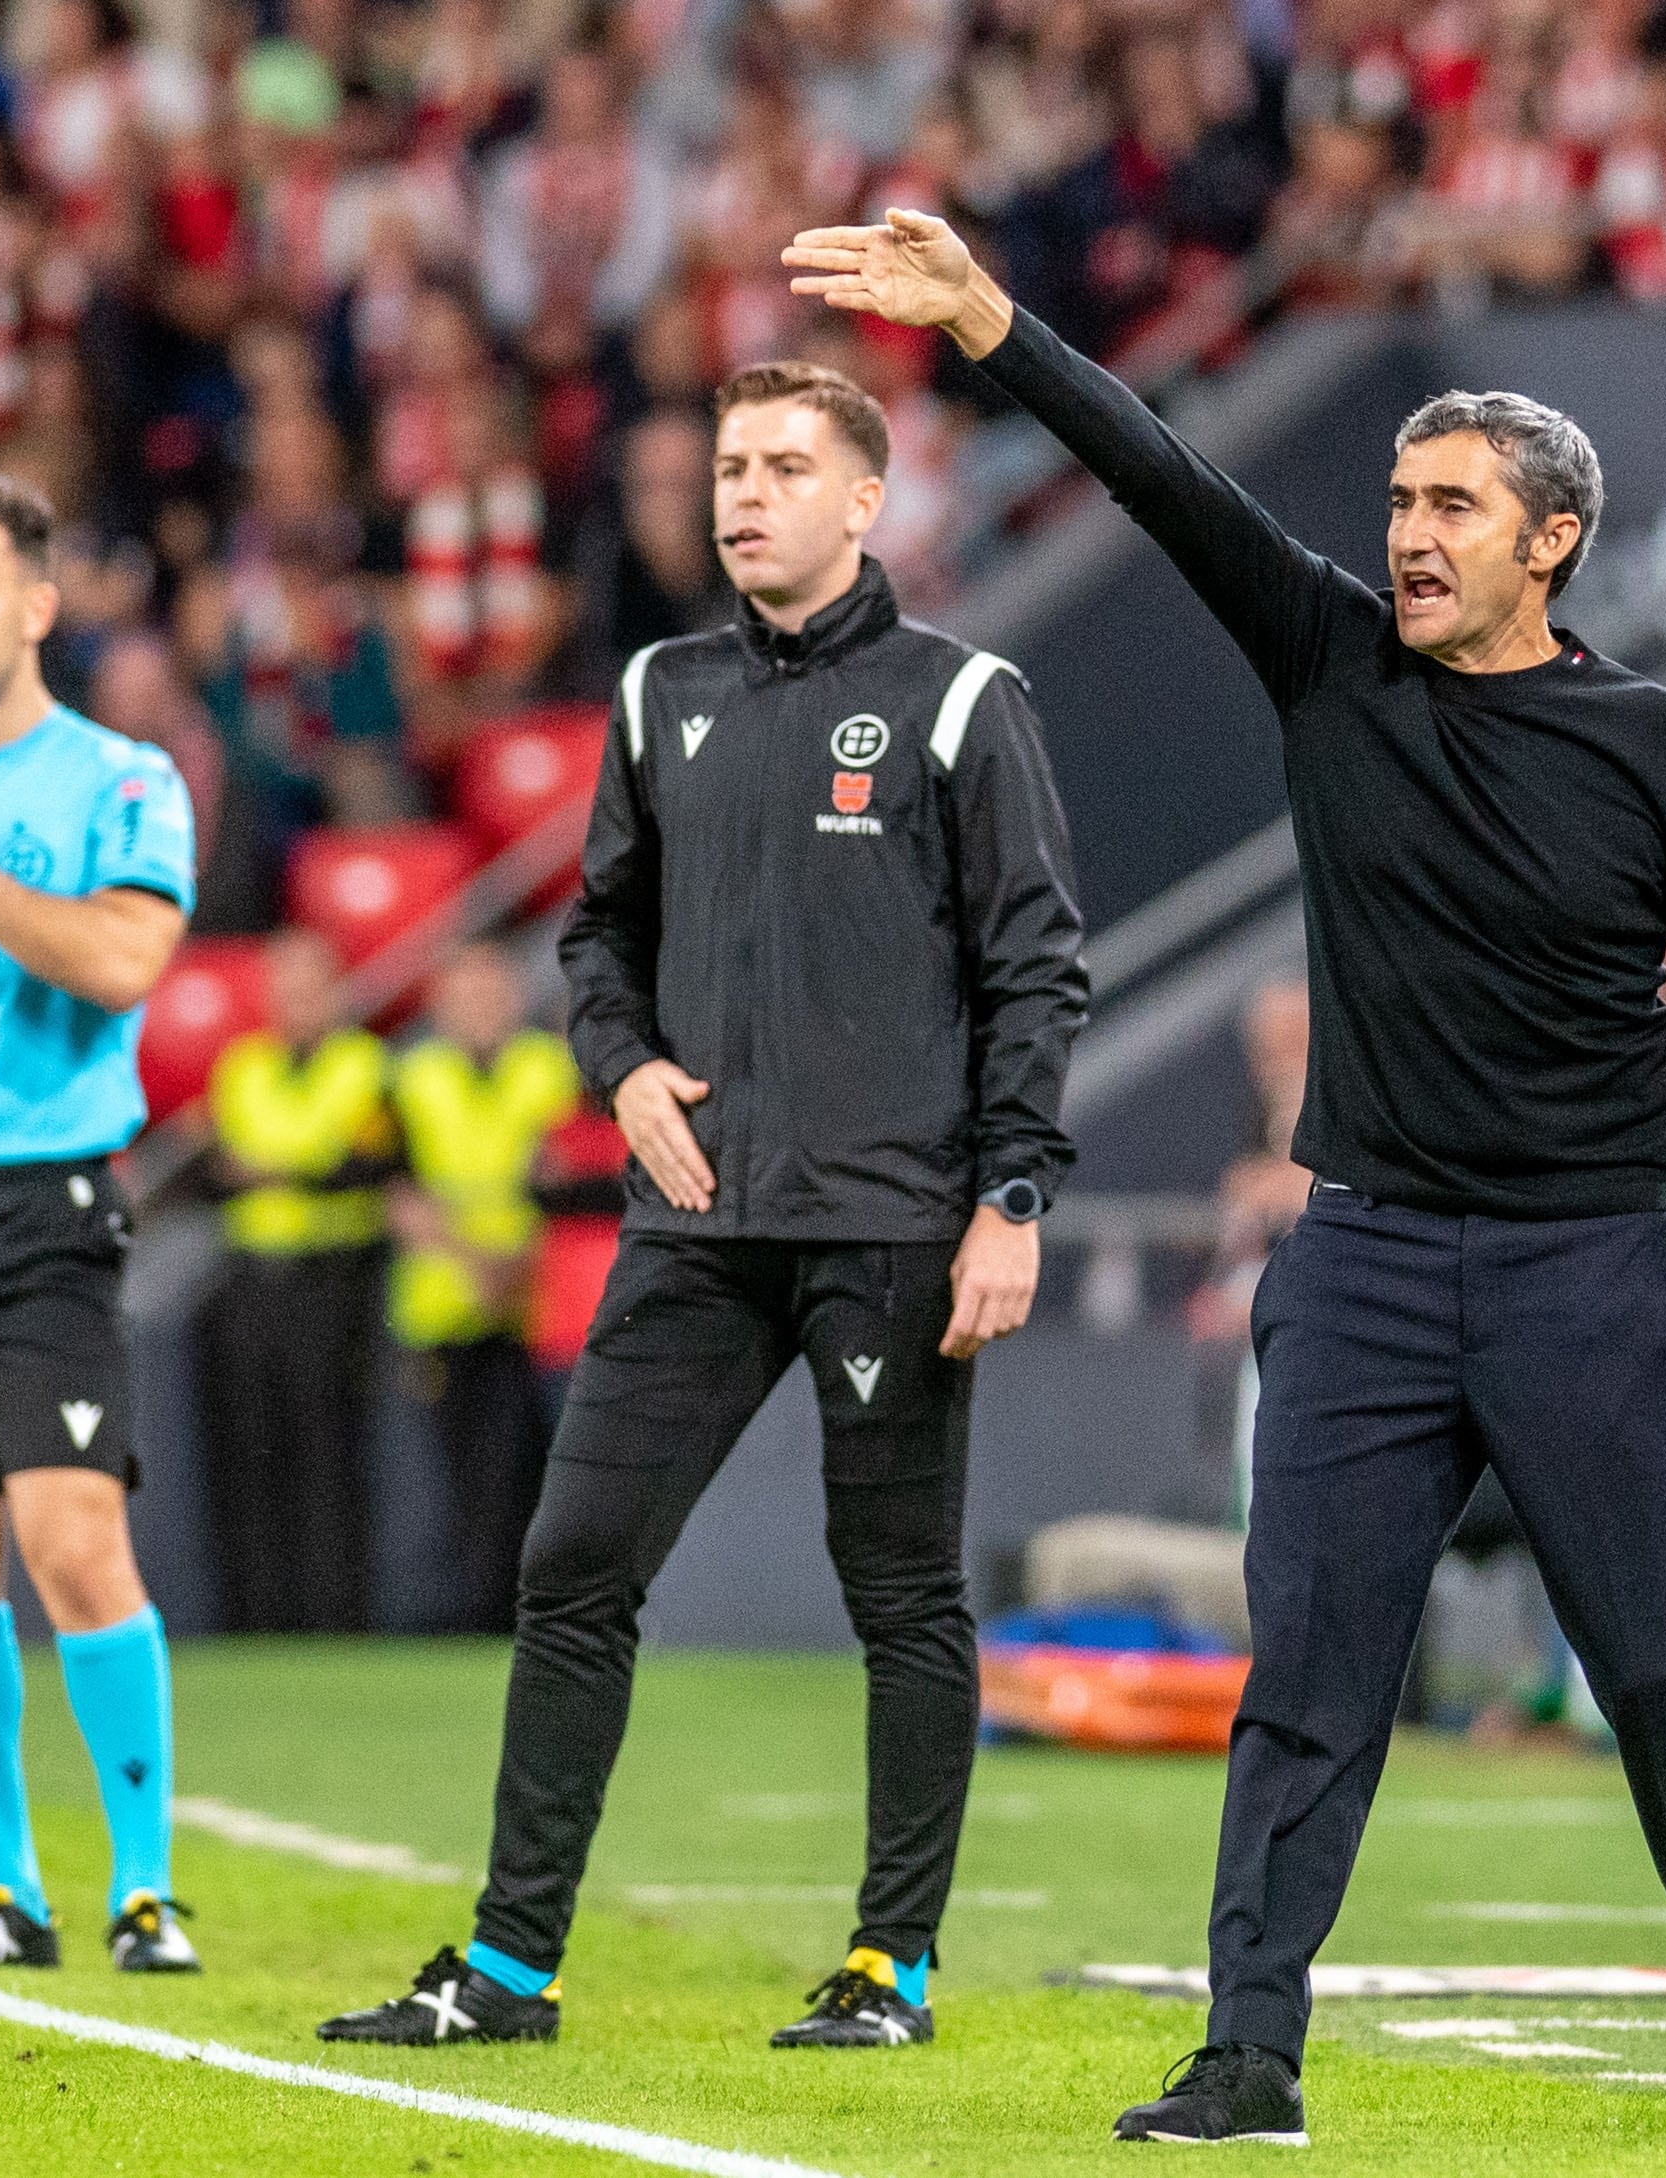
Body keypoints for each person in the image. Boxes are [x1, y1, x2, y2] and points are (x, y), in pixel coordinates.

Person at [783, 208, 1666, 2138]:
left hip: (1590, 1267)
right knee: (1307, 1686)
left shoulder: (1659, 742)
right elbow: (1161, 473)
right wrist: (998, 322)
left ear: (1551, 540)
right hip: (1358, 1267)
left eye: (1452, 504)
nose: (1410, 531)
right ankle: (1251, 2049)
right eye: (1402, 496)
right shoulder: (1339, 661)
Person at [318, 359, 1088, 2053]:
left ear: (865, 500)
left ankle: (895, 1964)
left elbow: (1036, 967)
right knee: (573, 1559)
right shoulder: (661, 689)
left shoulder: (964, 700)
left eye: (785, 466)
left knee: (898, 1590)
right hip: (695, 1221)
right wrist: (624, 1069)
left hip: (894, 1225)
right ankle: (508, 1969)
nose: (745, 492)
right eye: (732, 465)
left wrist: (1011, 1193)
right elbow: (596, 932)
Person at [0, 471, 201, 1973]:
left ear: (36, 606)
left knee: (73, 1538)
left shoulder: (119, 780)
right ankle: (7, 1891)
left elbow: (117, 962)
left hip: (42, 1204)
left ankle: (146, 1887)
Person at [195, 925, 395, 1635]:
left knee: (329, 1454)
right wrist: (303, 1165)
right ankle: (258, 1618)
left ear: (337, 989)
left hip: (334, 1277)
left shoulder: (368, 1065)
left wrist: (275, 1169)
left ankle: (337, 1618)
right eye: (286, 985)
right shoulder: (243, 1064)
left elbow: (365, 1165)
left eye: (312, 984)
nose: (298, 999)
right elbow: (215, 1169)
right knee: (253, 1452)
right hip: (253, 1276)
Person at [386, 941, 581, 1635]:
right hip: (444, 1305)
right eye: (465, 996)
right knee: (462, 1473)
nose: (480, 1009)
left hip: (539, 1303)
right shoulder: (411, 1078)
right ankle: (476, 1613)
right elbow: (398, 1192)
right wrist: (476, 1265)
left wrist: (515, 1266)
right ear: (439, 1006)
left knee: (539, 1467)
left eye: (493, 993)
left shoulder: (549, 1070)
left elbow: (563, 1172)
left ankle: (531, 1610)